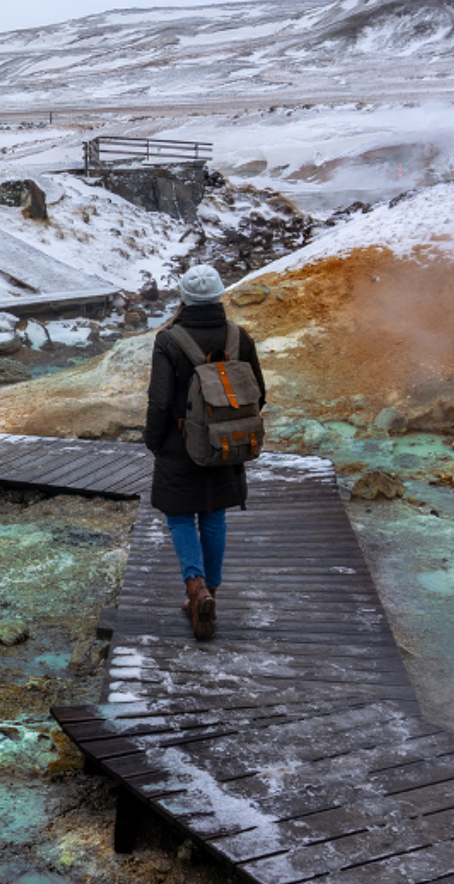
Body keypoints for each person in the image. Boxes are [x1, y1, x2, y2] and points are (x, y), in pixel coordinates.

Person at [142, 264, 264, 640]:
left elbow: (159, 401)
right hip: (227, 444)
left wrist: (154, 440)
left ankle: (196, 590)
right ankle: (212, 589)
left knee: (180, 518)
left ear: (184, 298)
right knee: (213, 518)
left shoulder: (169, 340)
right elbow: (259, 393)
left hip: (181, 445)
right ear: (219, 295)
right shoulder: (238, 336)